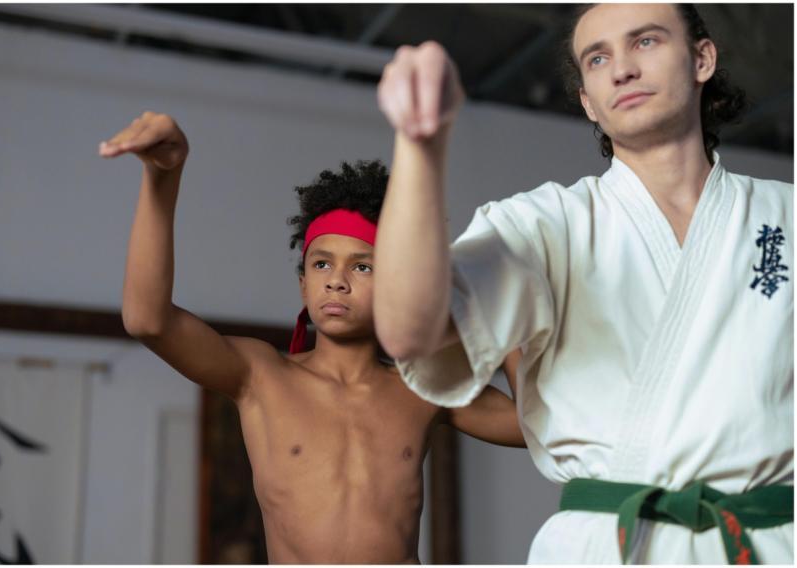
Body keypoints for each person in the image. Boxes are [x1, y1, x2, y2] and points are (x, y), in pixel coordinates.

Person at [374, 3, 792, 564]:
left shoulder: (783, 215)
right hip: (605, 548)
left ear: (701, 59)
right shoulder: (548, 224)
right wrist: (421, 148)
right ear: (588, 101)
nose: (621, 68)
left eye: (645, 42)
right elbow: (410, 330)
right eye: (598, 58)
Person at [98, 115, 524, 564]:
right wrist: (163, 176)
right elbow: (148, 320)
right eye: (322, 264)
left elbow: (534, 426)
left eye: (362, 267)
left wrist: (512, 299)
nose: (336, 282)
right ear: (303, 283)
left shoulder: (421, 388)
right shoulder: (261, 376)